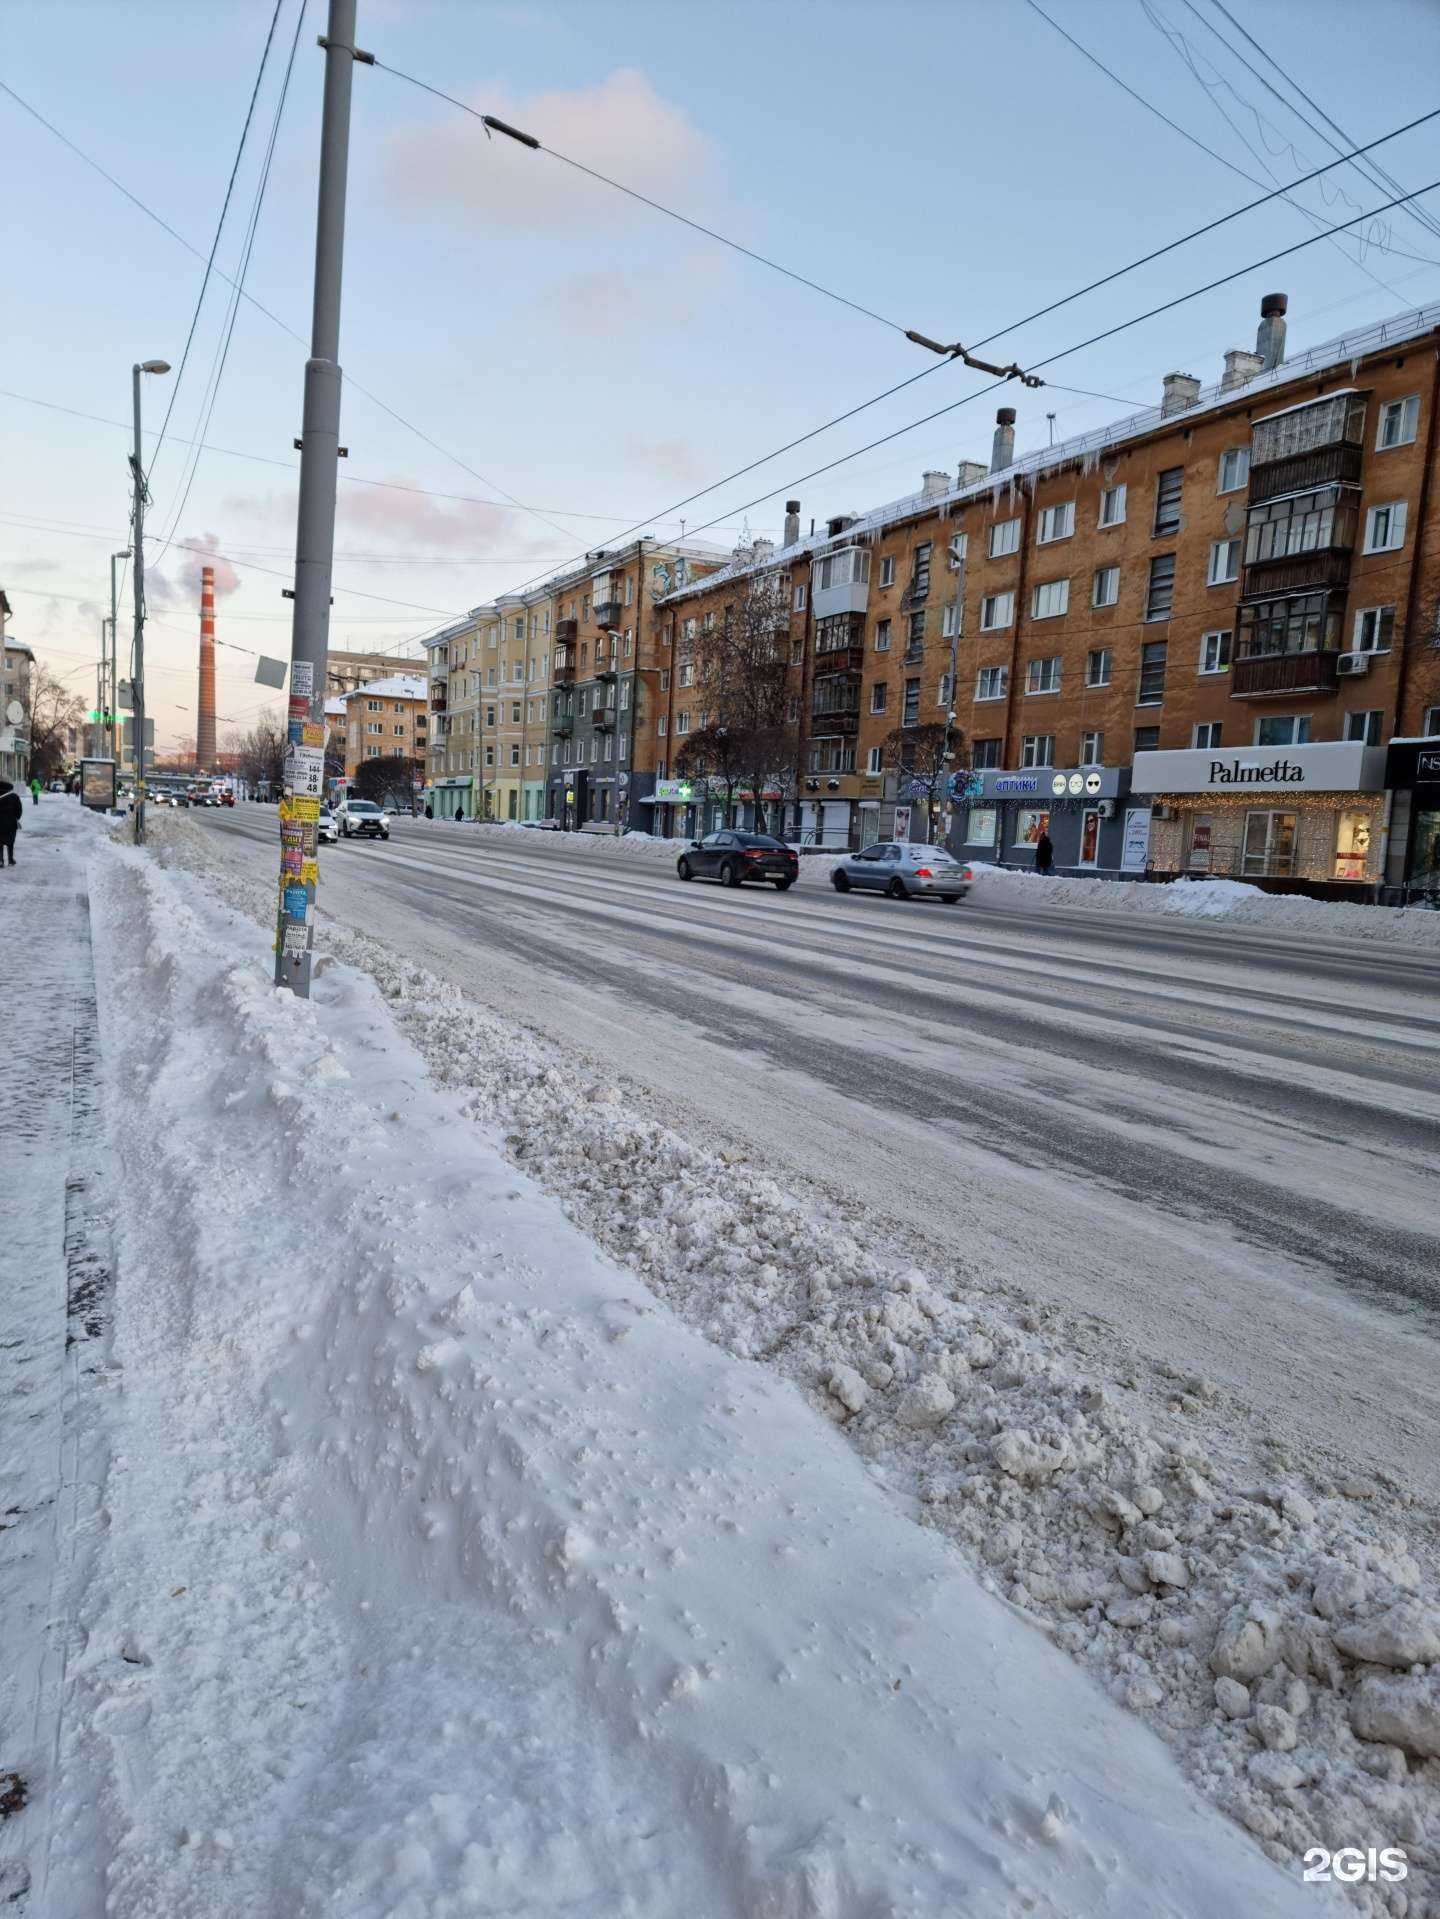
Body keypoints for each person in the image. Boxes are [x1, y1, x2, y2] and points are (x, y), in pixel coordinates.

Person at [0, 780, 22, 866]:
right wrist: (16, 818)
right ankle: (10, 860)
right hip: (11, 823)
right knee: (10, 842)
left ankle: (0, 861)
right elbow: (19, 810)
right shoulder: (14, 797)